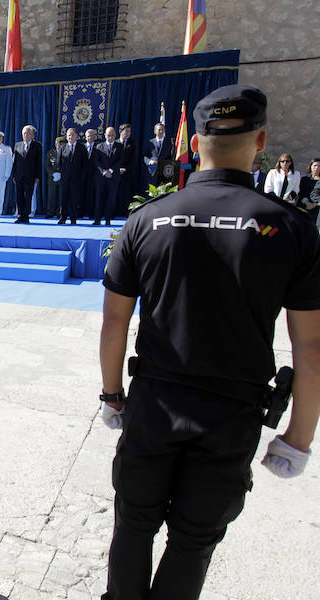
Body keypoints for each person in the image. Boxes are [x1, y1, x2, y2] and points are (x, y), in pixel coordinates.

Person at [98, 85, 320, 600]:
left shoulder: (147, 219)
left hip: (154, 404)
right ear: (260, 140)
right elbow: (309, 348)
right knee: (194, 541)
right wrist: (298, 438)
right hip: (231, 414)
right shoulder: (291, 227)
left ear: (195, 143)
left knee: (133, 524)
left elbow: (114, 324)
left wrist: (112, 396)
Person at [12, 125, 42, 223]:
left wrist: (38, 176)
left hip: (31, 175)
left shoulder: (37, 145)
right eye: (24, 133)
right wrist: (14, 175)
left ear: (33, 135)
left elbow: (38, 162)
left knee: (28, 196)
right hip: (19, 175)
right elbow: (15, 161)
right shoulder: (17, 145)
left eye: (28, 133)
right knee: (19, 196)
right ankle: (20, 215)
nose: (25, 135)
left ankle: (26, 216)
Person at [93, 127, 122, 226]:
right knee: (99, 198)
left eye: (112, 135)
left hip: (113, 177)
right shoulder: (99, 146)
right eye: (108, 135)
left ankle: (108, 219)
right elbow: (96, 161)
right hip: (101, 178)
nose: (110, 137)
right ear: (105, 135)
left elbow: (120, 161)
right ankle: (97, 219)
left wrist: (110, 170)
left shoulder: (120, 146)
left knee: (111, 199)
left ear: (115, 136)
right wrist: (104, 171)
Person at [58, 128, 86, 224]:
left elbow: (85, 164)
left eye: (72, 135)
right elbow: (59, 163)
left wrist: (81, 177)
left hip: (76, 179)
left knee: (74, 199)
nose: (70, 137)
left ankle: (73, 218)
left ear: (77, 136)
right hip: (65, 179)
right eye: (68, 135)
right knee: (63, 199)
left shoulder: (81, 148)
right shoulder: (63, 148)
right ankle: (63, 217)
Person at [45, 136, 64, 218]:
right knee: (51, 196)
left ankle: (60, 212)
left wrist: (61, 174)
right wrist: (53, 173)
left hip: (62, 177)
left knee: (61, 196)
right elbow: (47, 165)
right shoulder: (51, 152)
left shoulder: (66, 152)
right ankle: (50, 212)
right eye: (57, 143)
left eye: (61, 144)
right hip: (52, 178)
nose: (59, 145)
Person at [298, 158, 320, 223]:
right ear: (310, 167)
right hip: (304, 207)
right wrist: (307, 203)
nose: (317, 168)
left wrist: (315, 204)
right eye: (315, 165)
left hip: (317, 208)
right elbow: (301, 193)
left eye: (319, 166)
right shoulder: (304, 179)